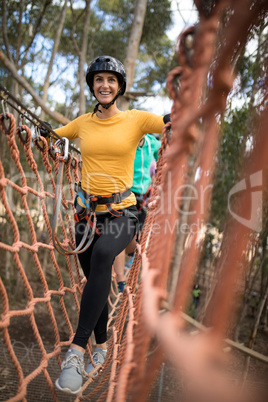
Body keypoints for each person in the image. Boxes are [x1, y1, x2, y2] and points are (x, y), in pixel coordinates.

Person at [41, 55, 168, 394]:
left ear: (120, 87)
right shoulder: (82, 123)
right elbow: (54, 136)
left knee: (102, 259)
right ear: (92, 86)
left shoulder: (136, 120)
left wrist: (181, 114)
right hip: (85, 213)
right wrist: (42, 137)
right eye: (99, 80)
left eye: (111, 80)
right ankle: (101, 344)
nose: (105, 85)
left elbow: (169, 125)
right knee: (93, 279)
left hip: (123, 213)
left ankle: (76, 350)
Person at [114, 133, 161, 292]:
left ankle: (130, 255)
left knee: (136, 240)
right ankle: (120, 280)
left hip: (143, 197)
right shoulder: (127, 139)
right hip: (125, 193)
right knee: (121, 233)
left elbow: (163, 157)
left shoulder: (152, 143)